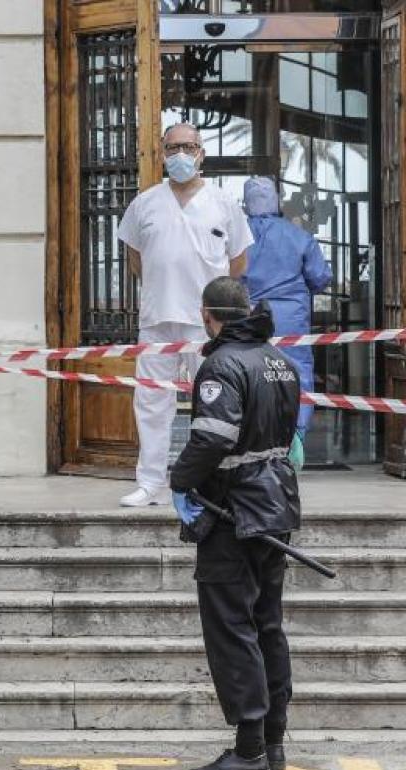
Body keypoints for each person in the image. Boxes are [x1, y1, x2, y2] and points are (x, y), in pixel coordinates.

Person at [170, 277, 302, 770]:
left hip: (236, 515)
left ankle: (248, 751)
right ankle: (274, 745)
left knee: (232, 628)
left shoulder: (221, 364)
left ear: (209, 314)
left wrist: (179, 483)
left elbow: (212, 439)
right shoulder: (279, 361)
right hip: (276, 507)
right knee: (267, 625)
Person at [117, 123, 255, 507]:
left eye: (189, 147)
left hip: (206, 323)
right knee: (151, 401)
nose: (181, 154)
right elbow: (135, 257)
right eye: (173, 147)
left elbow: (238, 261)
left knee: (213, 402)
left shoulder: (224, 203)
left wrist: (215, 307)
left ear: (201, 153)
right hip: (158, 317)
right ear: (161, 153)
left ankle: (213, 480)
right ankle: (150, 482)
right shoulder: (144, 203)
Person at [241, 176, 333, 469]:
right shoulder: (299, 236)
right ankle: (295, 439)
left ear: (246, 203)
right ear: (277, 200)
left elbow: (225, 275)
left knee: (248, 375)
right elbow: (320, 278)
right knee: (297, 375)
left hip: (249, 315)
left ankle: (253, 442)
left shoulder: (237, 237)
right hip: (290, 318)